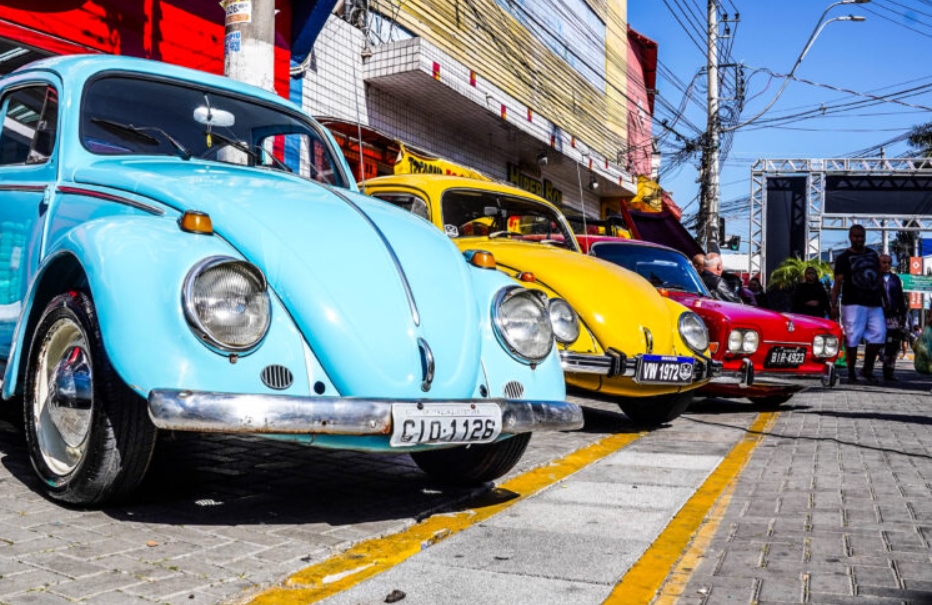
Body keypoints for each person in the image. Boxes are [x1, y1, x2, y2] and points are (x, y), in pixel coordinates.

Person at [830, 224, 886, 383]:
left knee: (879, 335)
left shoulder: (872, 254)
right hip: (853, 303)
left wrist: (885, 298)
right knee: (853, 338)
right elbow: (837, 284)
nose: (859, 239)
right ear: (850, 237)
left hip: (874, 303)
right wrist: (833, 305)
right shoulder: (843, 258)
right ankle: (852, 371)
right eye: (855, 236)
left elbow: (879, 278)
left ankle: (867, 369)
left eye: (861, 236)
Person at [879, 254, 907, 381]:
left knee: (894, 344)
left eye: (889, 262)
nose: (886, 265)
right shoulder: (874, 278)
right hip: (877, 315)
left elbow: (901, 299)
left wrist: (903, 315)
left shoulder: (895, 279)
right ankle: (869, 370)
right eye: (884, 262)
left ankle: (889, 371)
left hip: (893, 316)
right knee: (878, 343)